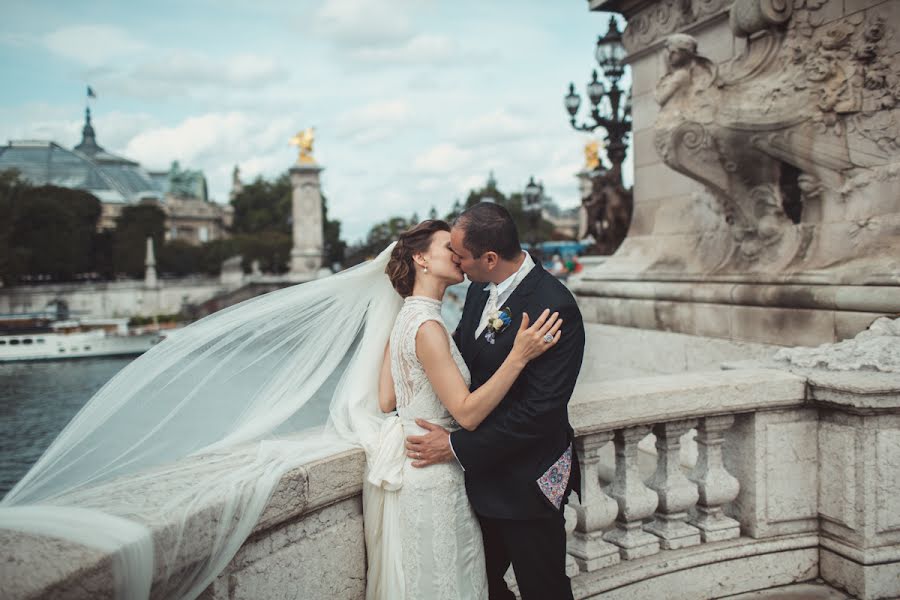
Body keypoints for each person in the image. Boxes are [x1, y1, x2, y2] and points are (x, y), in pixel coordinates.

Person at [370, 219, 562, 599]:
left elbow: (387, 400)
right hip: (438, 474)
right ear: (421, 258)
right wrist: (518, 356)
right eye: (448, 249)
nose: (458, 256)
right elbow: (468, 414)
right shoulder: (428, 327)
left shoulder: (406, 317)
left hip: (417, 470)